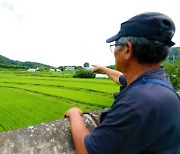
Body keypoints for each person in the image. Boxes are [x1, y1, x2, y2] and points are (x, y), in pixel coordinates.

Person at [64, 12, 180, 154]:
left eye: (115, 46)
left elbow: (87, 151)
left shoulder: (139, 101)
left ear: (127, 49)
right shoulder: (157, 82)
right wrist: (103, 69)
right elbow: (121, 78)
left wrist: (74, 113)